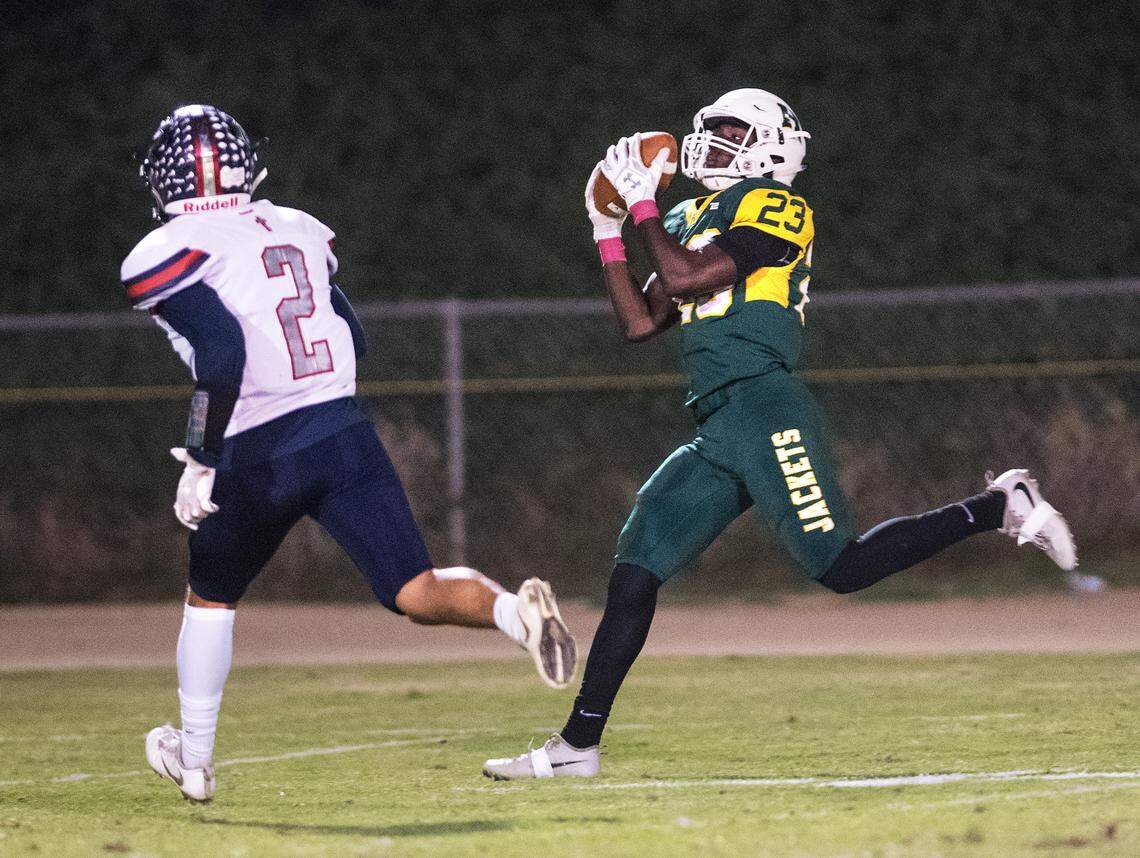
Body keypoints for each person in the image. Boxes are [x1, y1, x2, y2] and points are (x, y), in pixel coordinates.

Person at [482, 88, 1075, 780]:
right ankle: (579, 746)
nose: (714, 141)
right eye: (714, 129)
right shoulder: (688, 211)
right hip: (716, 423)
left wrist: (641, 206)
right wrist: (604, 230)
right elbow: (640, 322)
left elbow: (691, 274)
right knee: (635, 569)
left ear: (772, 143)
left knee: (842, 569)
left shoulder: (778, 205)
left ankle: (999, 506)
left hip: (766, 406)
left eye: (733, 131)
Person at [124, 104, 577, 802]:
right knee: (415, 591)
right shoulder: (295, 225)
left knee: (210, 599)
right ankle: (517, 614)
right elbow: (348, 329)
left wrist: (202, 455)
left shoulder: (165, 249)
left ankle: (196, 758)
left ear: (161, 179)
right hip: (341, 432)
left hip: (257, 448)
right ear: (246, 163)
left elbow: (223, 349)